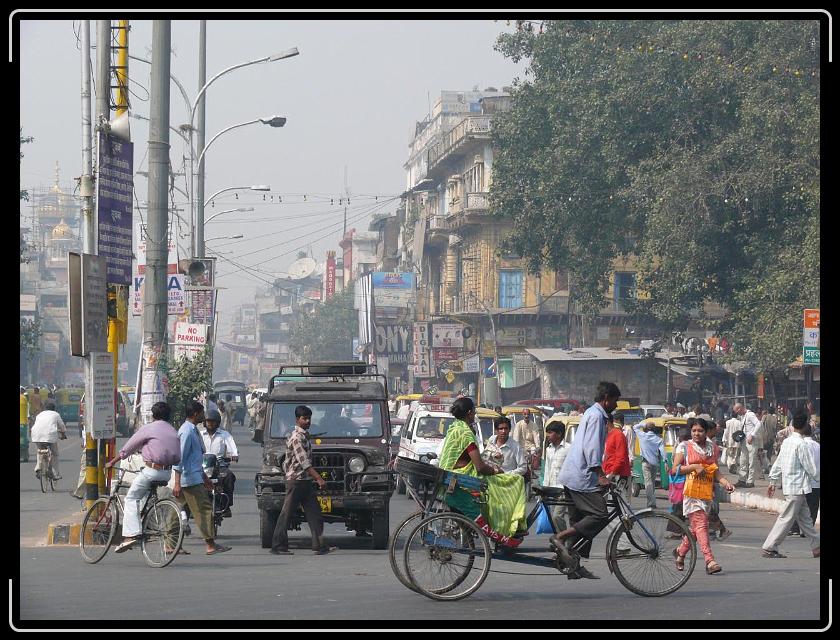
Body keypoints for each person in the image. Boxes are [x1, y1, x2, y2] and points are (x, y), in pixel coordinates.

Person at [550, 381, 622, 580]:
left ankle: (573, 564)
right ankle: (560, 537)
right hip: (581, 476)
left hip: (574, 474)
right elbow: (591, 448)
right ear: (606, 399)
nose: (616, 405)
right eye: (615, 401)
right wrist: (600, 475)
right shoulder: (597, 416)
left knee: (579, 521)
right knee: (600, 514)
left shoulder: (592, 413)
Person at [437, 397, 527, 540]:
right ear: (469, 413)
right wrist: (496, 471)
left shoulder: (455, 428)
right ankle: (505, 525)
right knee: (516, 482)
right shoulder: (466, 433)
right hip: (460, 478)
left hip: (452, 476)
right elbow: (479, 466)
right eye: (474, 411)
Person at [105, 402, 182, 553]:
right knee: (143, 492)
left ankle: (131, 535)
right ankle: (143, 520)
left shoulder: (149, 428)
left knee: (131, 498)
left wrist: (112, 462)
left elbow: (129, 446)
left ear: (153, 415)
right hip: (167, 472)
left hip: (152, 470)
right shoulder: (173, 430)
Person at [671, 417, 735, 575]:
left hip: (706, 493)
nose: (696, 433)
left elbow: (716, 471)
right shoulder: (684, 447)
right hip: (691, 492)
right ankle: (709, 560)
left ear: (706, 432)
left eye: (700, 431)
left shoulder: (712, 448)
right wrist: (693, 466)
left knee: (695, 528)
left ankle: (680, 552)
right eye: (694, 431)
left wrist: (725, 482)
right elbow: (674, 469)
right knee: (701, 525)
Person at [270, 405, 334, 555]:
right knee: (286, 514)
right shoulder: (296, 437)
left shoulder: (305, 436)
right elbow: (304, 462)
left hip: (305, 482)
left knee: (315, 513)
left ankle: (319, 545)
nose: (308, 421)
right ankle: (278, 546)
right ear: (297, 420)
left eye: (309, 418)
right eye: (304, 418)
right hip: (296, 481)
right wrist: (319, 478)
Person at [172, 400, 231, 555]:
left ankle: (169, 544)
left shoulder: (193, 429)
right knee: (204, 509)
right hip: (189, 480)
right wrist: (177, 482)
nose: (205, 416)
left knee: (175, 511)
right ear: (196, 414)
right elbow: (181, 457)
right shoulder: (187, 431)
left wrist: (204, 477)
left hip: (193, 476)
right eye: (202, 413)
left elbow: (194, 458)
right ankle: (210, 544)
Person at [761, 412, 820, 559]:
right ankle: (769, 546)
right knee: (786, 518)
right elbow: (811, 467)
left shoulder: (787, 442)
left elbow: (778, 462)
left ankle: (817, 546)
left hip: (792, 486)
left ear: (793, 425)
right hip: (798, 487)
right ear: (806, 425)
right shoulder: (801, 444)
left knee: (806, 519)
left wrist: (772, 481)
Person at [200, 408, 239, 518]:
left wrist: (234, 455)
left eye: (213, 421)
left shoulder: (224, 435)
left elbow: (232, 448)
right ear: (204, 422)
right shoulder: (199, 434)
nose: (211, 424)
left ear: (217, 423)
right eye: (208, 421)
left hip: (219, 465)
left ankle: (226, 506)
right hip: (202, 465)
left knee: (229, 476)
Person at [789, 423, 820, 537]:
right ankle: (808, 531)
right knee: (812, 507)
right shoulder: (817, 446)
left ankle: (795, 528)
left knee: (799, 507)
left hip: (802, 481)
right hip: (816, 482)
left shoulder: (800, 445)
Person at [632, 417, 667, 509]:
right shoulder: (658, 439)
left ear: (646, 429)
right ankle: (651, 500)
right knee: (652, 483)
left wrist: (643, 424)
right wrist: (665, 461)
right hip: (655, 464)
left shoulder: (642, 435)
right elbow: (663, 452)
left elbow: (635, 427)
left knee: (648, 483)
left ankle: (651, 502)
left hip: (646, 463)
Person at [542, 421, 569, 530]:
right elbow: (547, 470)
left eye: (550, 432)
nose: (548, 435)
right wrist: (544, 488)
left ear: (559, 434)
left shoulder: (568, 449)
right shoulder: (549, 449)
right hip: (552, 489)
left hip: (563, 489)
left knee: (557, 516)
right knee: (553, 518)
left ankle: (564, 540)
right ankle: (560, 541)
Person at [30, 400, 67, 480]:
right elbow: (62, 427)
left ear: (45, 409)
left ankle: (38, 467)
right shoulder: (56, 414)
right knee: (55, 454)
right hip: (50, 435)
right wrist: (63, 434)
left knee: (40, 451)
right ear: (54, 409)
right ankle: (55, 473)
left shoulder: (40, 414)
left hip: (36, 434)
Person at [602, 412, 631, 502]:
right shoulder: (607, 436)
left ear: (607, 423)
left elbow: (621, 458)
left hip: (618, 474)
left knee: (618, 503)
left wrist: (612, 474)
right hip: (609, 473)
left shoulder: (618, 435)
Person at [733, 403, 762, 488]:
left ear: (739, 409)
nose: (737, 413)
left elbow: (758, 424)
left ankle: (750, 481)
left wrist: (752, 434)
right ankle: (742, 479)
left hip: (751, 440)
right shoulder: (743, 416)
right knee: (743, 460)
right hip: (744, 441)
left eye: (736, 411)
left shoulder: (750, 414)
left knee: (752, 461)